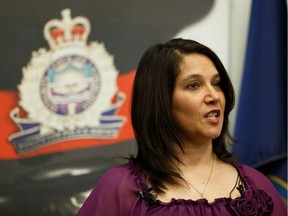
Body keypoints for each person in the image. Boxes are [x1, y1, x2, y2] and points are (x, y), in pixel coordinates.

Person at [77, 38, 286, 215]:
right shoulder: (119, 188)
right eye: (194, 85)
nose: (213, 96)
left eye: (216, 83)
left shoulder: (256, 186)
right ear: (161, 101)